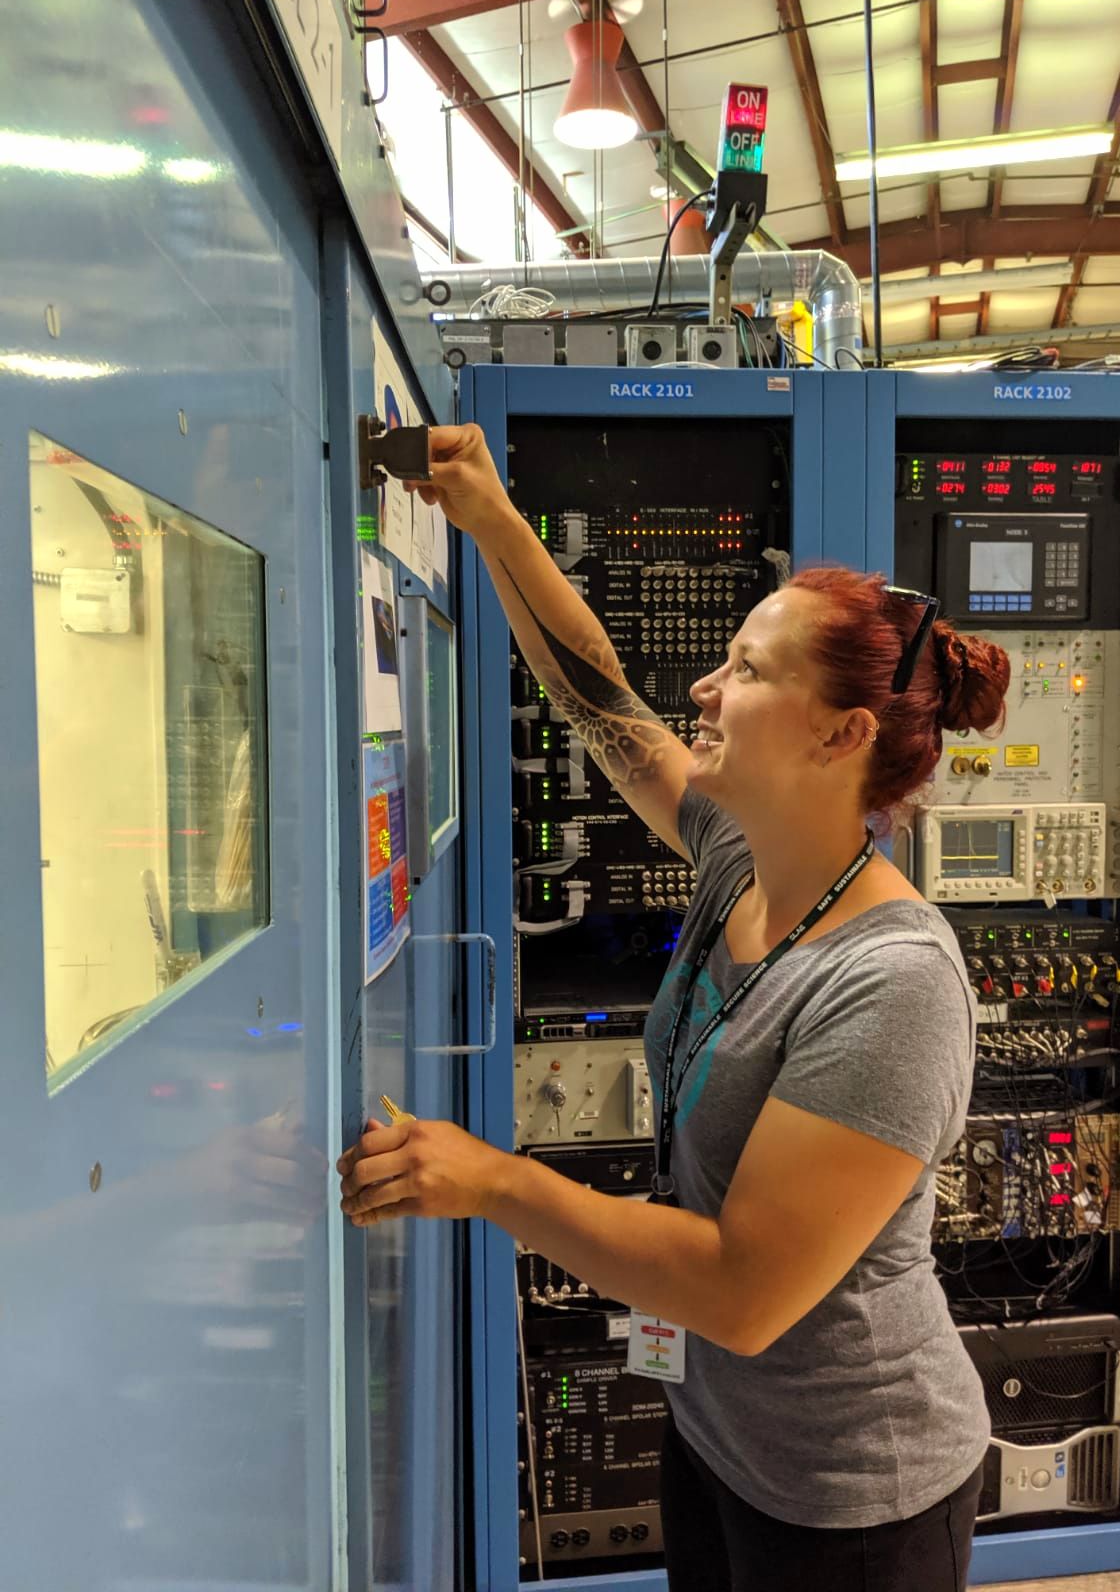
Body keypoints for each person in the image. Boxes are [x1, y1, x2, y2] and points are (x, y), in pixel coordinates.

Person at [338, 423, 1011, 1591]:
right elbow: (595, 695)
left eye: (747, 670)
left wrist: (497, 1181)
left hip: (853, 1494)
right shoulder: (737, 856)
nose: (703, 684)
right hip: (718, 1437)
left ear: (842, 735)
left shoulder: (895, 983)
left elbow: (742, 1292)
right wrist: (494, 518)